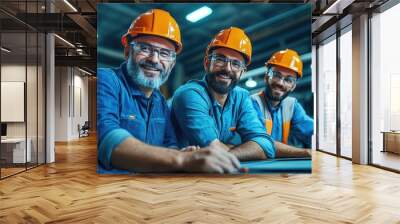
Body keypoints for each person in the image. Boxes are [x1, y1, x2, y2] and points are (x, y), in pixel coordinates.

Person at [97, 9, 240, 174]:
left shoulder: (159, 102)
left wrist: (182, 153)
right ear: (128, 51)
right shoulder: (106, 81)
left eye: (164, 53)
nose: (154, 59)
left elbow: (169, 144)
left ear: (172, 64)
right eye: (145, 48)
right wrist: (181, 159)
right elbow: (106, 137)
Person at [172, 27, 310, 161]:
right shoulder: (190, 94)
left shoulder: (241, 96)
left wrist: (229, 150)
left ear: (242, 71)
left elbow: (266, 145)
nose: (227, 68)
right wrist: (247, 149)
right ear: (207, 63)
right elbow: (212, 148)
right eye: (220, 59)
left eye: (236, 64)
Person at [252, 49, 314, 148]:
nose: (280, 83)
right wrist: (306, 153)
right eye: (276, 75)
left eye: (288, 80)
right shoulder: (252, 103)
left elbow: (311, 132)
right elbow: (261, 143)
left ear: (293, 86)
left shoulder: (292, 106)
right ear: (266, 77)